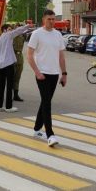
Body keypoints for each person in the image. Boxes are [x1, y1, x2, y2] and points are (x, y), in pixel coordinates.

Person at [26, 10, 67, 147]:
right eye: (49, 19)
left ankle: (37, 130)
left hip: (54, 74)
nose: (52, 21)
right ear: (44, 19)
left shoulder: (58, 35)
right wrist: (37, 72)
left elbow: (61, 56)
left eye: (53, 19)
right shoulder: (37, 34)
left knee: (46, 101)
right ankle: (50, 135)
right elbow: (30, 55)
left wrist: (64, 74)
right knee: (47, 103)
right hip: (42, 74)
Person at [0, 23, 33, 112]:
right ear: (4, 30)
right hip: (8, 64)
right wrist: (27, 26)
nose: (11, 30)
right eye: (9, 29)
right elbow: (18, 31)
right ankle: (8, 107)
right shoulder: (8, 35)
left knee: (1, 86)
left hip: (0, 66)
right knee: (9, 85)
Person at [12, 24, 26, 102]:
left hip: (20, 58)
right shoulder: (11, 38)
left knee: (17, 77)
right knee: (11, 78)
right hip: (12, 58)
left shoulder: (22, 37)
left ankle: (16, 95)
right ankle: (9, 94)